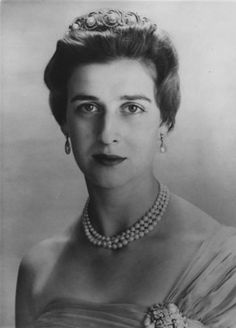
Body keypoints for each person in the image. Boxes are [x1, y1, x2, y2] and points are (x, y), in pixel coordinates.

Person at [15, 8, 236, 328]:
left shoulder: (224, 262)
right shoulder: (38, 269)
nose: (107, 134)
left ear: (165, 121)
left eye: (131, 108)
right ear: (64, 121)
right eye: (88, 107)